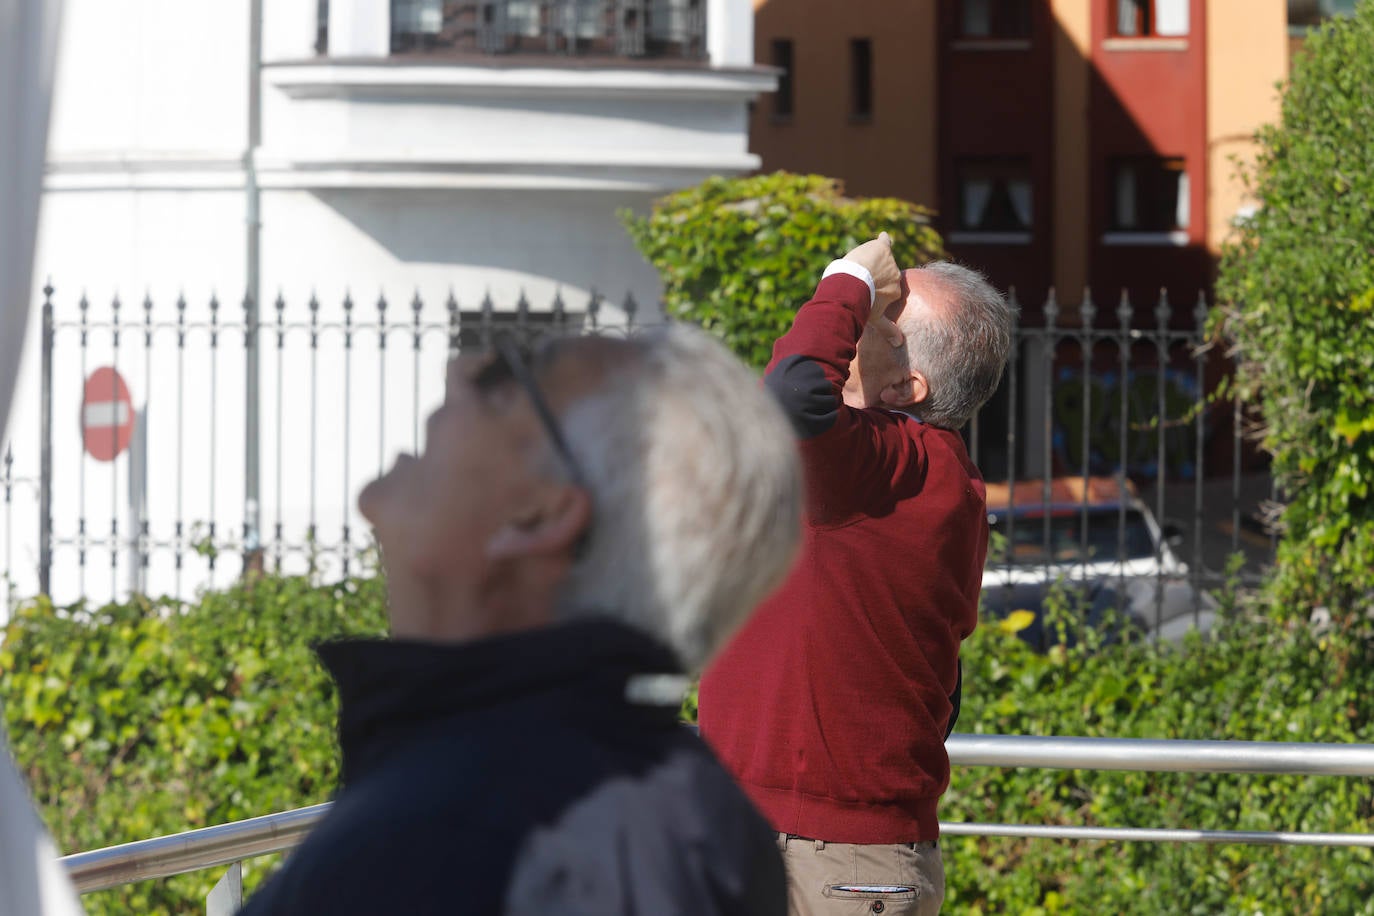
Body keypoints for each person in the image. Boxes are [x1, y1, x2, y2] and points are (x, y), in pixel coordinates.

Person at [240, 325, 804, 915]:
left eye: (509, 379)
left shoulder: (450, 847)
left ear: (539, 515)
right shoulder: (669, 808)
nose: (458, 372)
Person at [698, 234, 1016, 916]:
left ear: (908, 388)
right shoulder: (897, 473)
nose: (862, 315)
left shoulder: (901, 464)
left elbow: (790, 394)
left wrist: (849, 277)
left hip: (827, 861)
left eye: (885, 315)